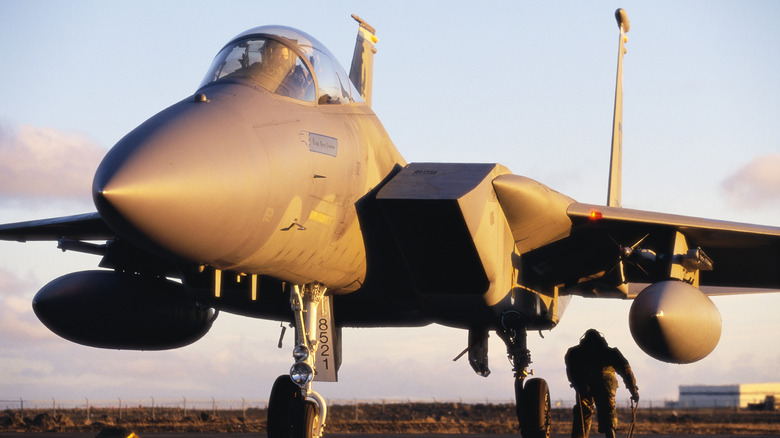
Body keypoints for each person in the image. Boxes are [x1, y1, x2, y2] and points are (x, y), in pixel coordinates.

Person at [565, 329, 639, 438]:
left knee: (582, 415)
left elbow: (570, 370)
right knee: (608, 414)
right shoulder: (611, 352)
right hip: (606, 384)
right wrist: (634, 391)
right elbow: (626, 370)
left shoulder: (574, 352)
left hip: (584, 384)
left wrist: (576, 384)